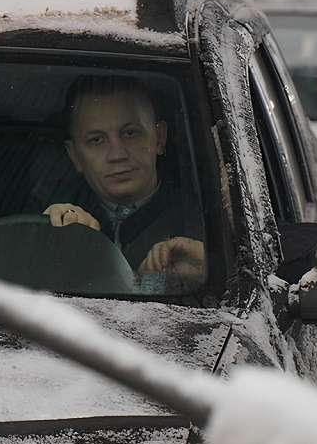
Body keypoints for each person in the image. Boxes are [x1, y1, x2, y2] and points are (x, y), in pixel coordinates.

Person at [44, 76, 206, 286]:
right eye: (97, 140)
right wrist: (45, 237)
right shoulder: (48, 215)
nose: (117, 154)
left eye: (130, 133)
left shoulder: (206, 222)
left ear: (159, 138)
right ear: (74, 156)